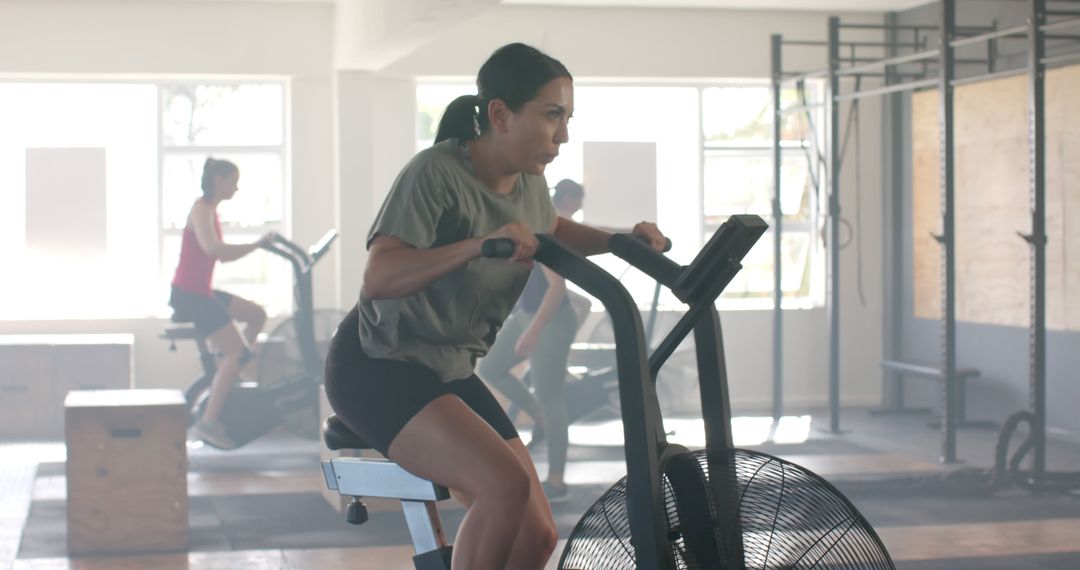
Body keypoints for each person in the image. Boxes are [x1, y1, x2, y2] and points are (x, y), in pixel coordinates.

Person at [323, 43, 666, 570]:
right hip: (378, 364)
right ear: (501, 115)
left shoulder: (531, 180)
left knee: (536, 536)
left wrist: (621, 242)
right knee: (502, 486)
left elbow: (550, 228)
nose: (564, 135)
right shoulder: (434, 173)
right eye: (553, 116)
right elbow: (379, 276)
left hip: (448, 369)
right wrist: (477, 245)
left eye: (568, 118)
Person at [476, 178, 589, 504]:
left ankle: (556, 479)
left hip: (551, 319)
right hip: (526, 315)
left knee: (551, 395)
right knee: (491, 367)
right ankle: (536, 413)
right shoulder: (504, 230)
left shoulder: (535, 230)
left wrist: (534, 331)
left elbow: (557, 287)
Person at [169, 158, 271, 449]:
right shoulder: (200, 210)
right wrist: (257, 245)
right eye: (232, 181)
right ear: (218, 180)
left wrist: (257, 246)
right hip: (189, 296)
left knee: (256, 315)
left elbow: (220, 256)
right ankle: (208, 423)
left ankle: (230, 372)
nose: (236, 188)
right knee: (237, 352)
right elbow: (214, 249)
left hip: (202, 291)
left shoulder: (211, 212)